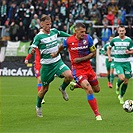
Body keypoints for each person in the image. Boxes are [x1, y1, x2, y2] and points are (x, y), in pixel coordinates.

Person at [51, 23, 102, 120]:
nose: (84, 34)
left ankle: (76, 85)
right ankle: (97, 114)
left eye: (84, 31)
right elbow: (62, 46)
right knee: (89, 89)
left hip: (88, 68)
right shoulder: (69, 40)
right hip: (77, 70)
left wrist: (81, 59)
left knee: (97, 90)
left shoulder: (88, 38)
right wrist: (56, 53)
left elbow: (94, 53)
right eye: (81, 32)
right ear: (76, 31)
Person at [30, 15, 73, 117]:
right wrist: (30, 51)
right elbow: (32, 46)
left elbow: (61, 33)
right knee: (44, 89)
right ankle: (38, 106)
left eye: (50, 24)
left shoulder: (54, 31)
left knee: (70, 76)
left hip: (57, 62)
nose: (49, 26)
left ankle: (62, 88)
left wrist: (71, 37)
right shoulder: (39, 36)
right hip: (46, 66)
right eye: (47, 24)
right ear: (42, 24)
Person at [108, 25, 133, 104]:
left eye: (123, 31)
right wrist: (109, 57)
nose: (121, 32)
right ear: (118, 31)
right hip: (118, 62)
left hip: (127, 62)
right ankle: (117, 84)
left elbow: (132, 50)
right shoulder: (114, 40)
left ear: (125, 31)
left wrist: (129, 52)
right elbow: (109, 48)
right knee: (122, 78)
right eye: (120, 31)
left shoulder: (129, 40)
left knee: (126, 81)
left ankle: (121, 96)